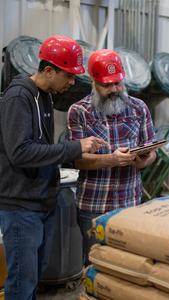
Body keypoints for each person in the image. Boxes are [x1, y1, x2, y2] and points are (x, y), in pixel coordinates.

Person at [0, 35, 108, 300]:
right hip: (20, 205)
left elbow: (43, 149)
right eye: (68, 76)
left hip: (39, 201)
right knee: (22, 282)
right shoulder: (18, 98)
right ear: (49, 70)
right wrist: (75, 148)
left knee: (33, 277)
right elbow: (21, 152)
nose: (72, 83)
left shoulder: (45, 97)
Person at [67, 49, 156, 265]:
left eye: (118, 83)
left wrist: (144, 160)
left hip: (130, 202)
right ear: (93, 82)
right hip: (94, 204)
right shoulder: (79, 112)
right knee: (94, 264)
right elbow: (78, 160)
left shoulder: (139, 108)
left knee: (127, 266)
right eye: (107, 85)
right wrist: (111, 160)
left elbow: (151, 149)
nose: (114, 89)